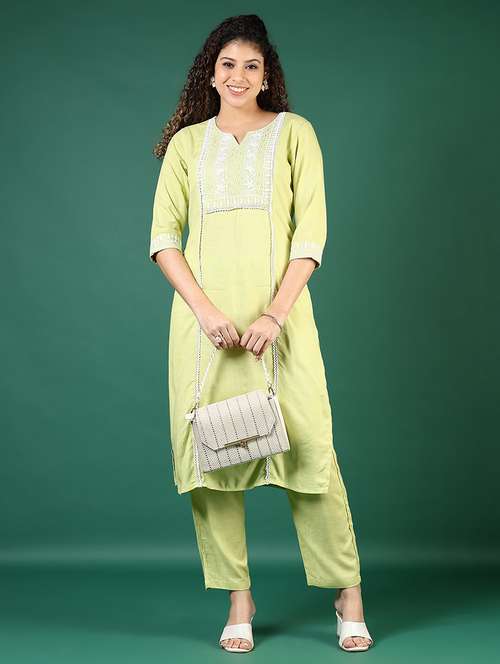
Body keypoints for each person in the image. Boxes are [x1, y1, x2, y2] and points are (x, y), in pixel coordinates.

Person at [149, 14, 373, 653]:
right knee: (211, 458)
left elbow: (311, 234)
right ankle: (238, 598)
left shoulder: (295, 133)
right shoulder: (188, 146)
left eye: (252, 66)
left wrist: (274, 315)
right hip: (206, 331)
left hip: (283, 322)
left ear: (267, 75)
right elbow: (164, 238)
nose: (239, 76)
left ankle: (347, 593)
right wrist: (206, 312)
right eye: (228, 65)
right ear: (210, 74)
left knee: (311, 450)